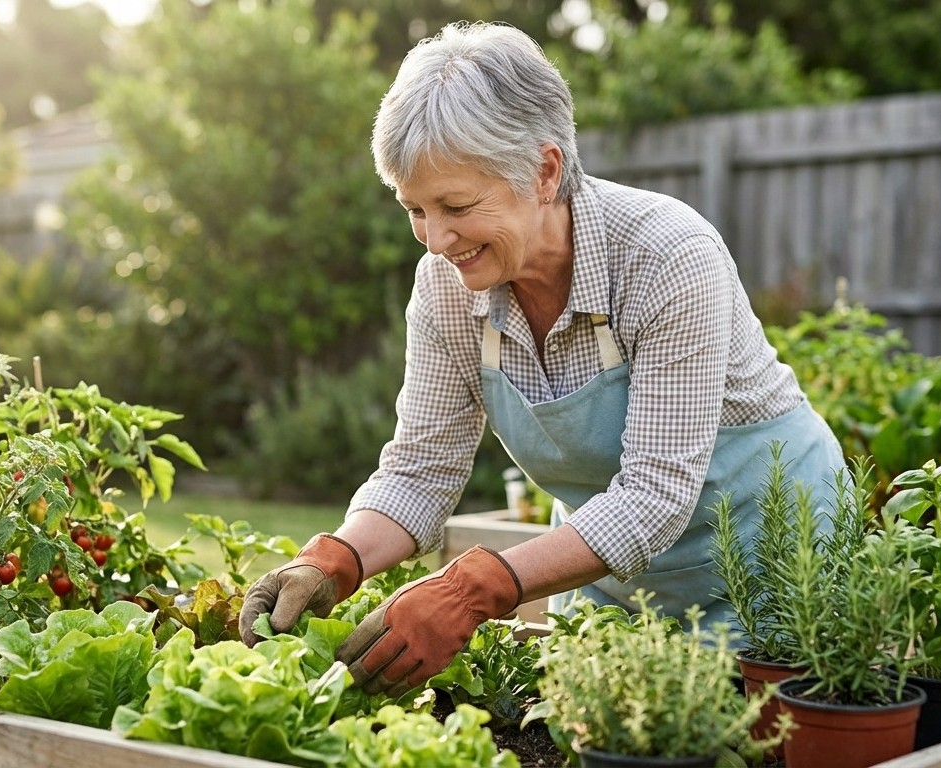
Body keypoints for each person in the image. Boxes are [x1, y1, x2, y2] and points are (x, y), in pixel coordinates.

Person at [238, 21, 845, 699]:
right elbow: (419, 471)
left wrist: (477, 586)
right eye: (414, 209)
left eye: (456, 205)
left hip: (774, 569)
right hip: (608, 581)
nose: (436, 239)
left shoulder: (665, 256)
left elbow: (653, 495)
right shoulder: (444, 287)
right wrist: (333, 560)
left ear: (544, 171)